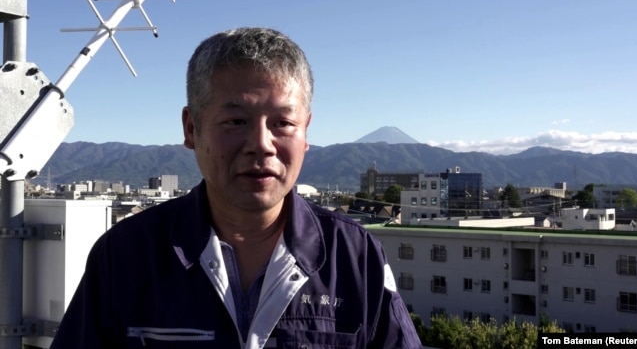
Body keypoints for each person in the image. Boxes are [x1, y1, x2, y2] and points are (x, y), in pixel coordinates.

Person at [50, 27, 422, 349]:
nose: (261, 144)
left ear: (306, 130)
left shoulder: (354, 256)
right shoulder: (125, 256)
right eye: (236, 120)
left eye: (282, 123)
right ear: (192, 128)